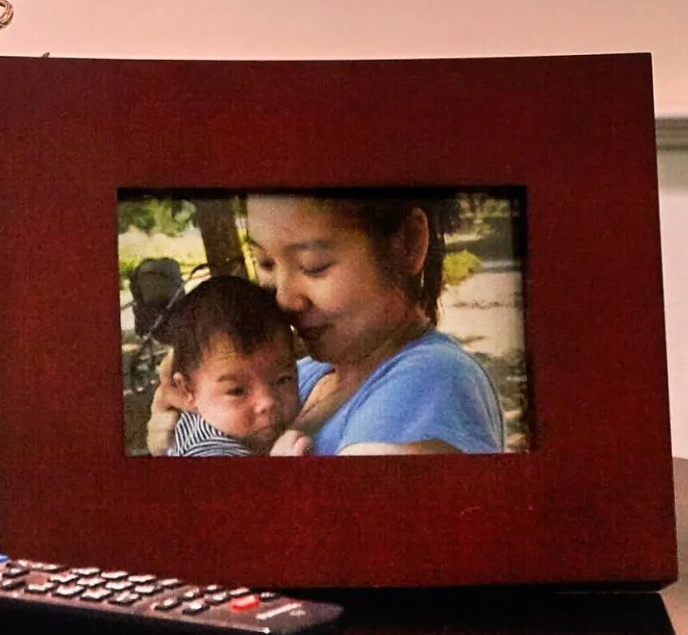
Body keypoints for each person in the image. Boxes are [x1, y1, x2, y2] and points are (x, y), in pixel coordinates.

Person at [245, 190, 505, 456]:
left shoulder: (430, 378)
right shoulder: (301, 374)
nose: (285, 299)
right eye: (265, 264)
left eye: (314, 265)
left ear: (409, 242)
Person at [155, 273, 303, 456]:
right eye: (237, 391)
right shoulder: (208, 451)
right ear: (188, 390)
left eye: (284, 379)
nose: (268, 402)